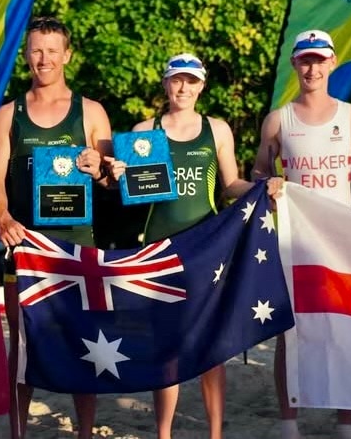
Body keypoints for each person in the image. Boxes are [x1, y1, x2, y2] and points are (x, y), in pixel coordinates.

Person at [108, 53, 253, 439]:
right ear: (165, 84)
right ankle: (164, 433)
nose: (183, 88)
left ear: (201, 86)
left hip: (207, 247)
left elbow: (231, 185)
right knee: (165, 347)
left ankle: (215, 433)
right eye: (177, 80)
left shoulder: (217, 129)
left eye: (191, 81)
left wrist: (261, 187)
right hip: (160, 248)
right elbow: (131, 197)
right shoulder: (145, 129)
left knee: (211, 347)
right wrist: (120, 176)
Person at [0, 16, 113, 439]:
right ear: (26, 55)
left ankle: (85, 433)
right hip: (25, 248)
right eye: (37, 50)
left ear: (67, 55)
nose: (44, 59)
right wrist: (2, 218)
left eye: (52, 50)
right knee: (22, 346)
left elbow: (115, 180)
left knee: (85, 344)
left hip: (79, 246)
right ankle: (18, 432)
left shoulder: (90, 111)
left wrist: (100, 169)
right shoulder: (8, 114)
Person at [252, 30, 351, 439]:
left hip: (342, 239)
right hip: (294, 238)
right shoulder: (277, 119)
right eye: (305, 60)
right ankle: (288, 422)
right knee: (292, 332)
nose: (313, 68)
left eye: (320, 60)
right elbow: (259, 173)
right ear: (295, 65)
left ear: (333, 63)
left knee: (345, 329)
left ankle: (346, 423)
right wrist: (267, 184)